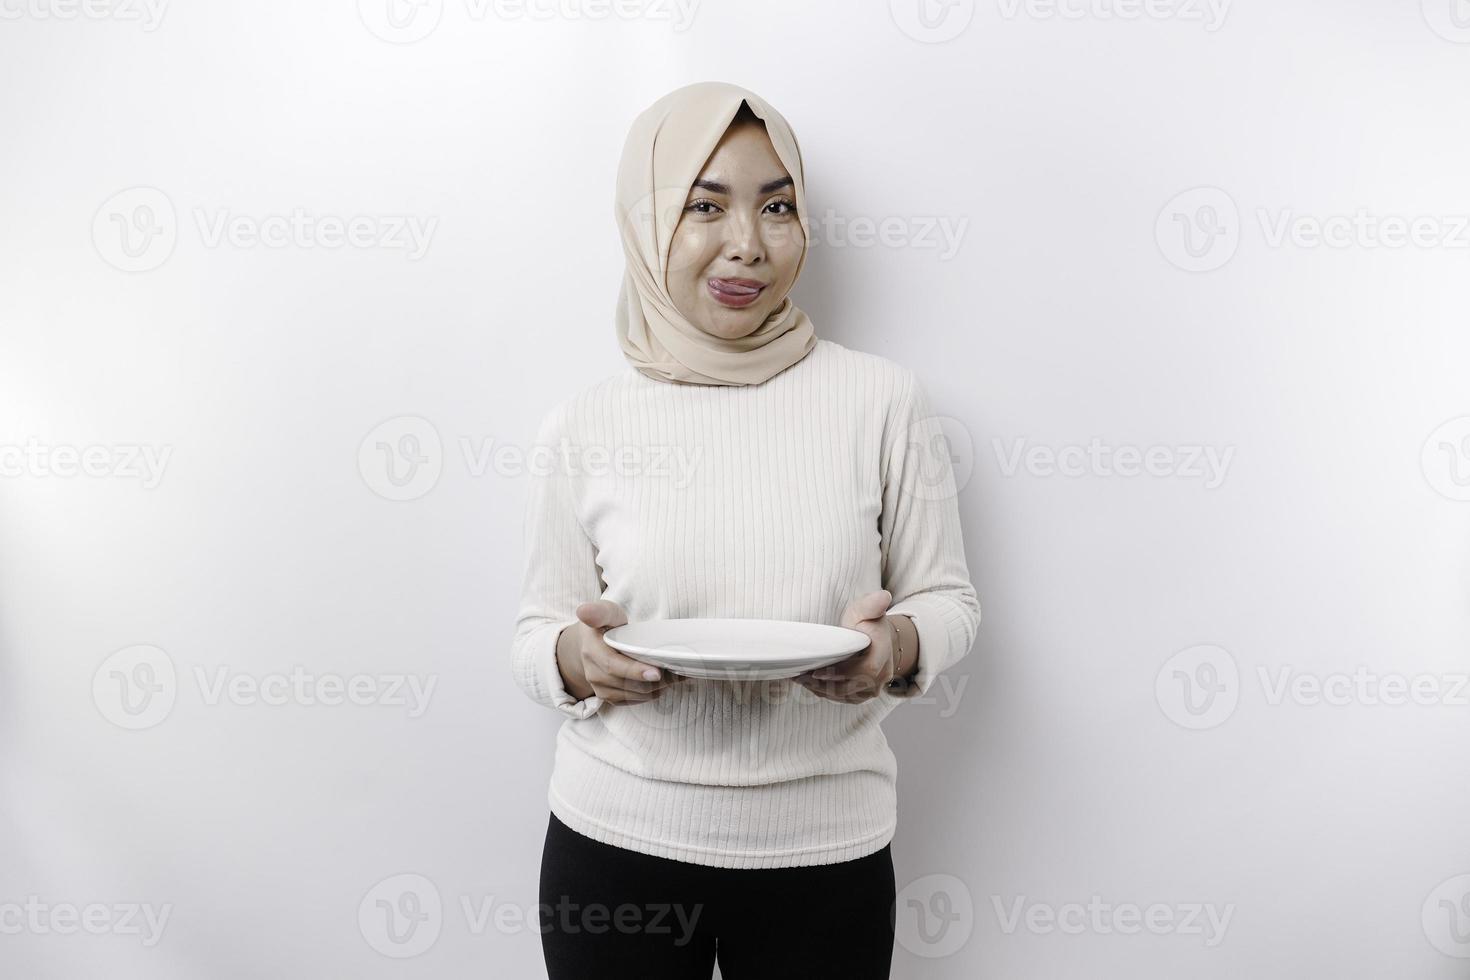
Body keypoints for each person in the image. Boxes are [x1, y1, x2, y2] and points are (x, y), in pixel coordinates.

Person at [510, 80, 981, 979]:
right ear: (647, 224)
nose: (748, 246)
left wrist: (900, 645)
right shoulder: (586, 423)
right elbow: (533, 636)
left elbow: (948, 600)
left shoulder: (882, 400)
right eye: (704, 205)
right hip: (619, 851)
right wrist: (577, 659)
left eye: (777, 206)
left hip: (825, 855)